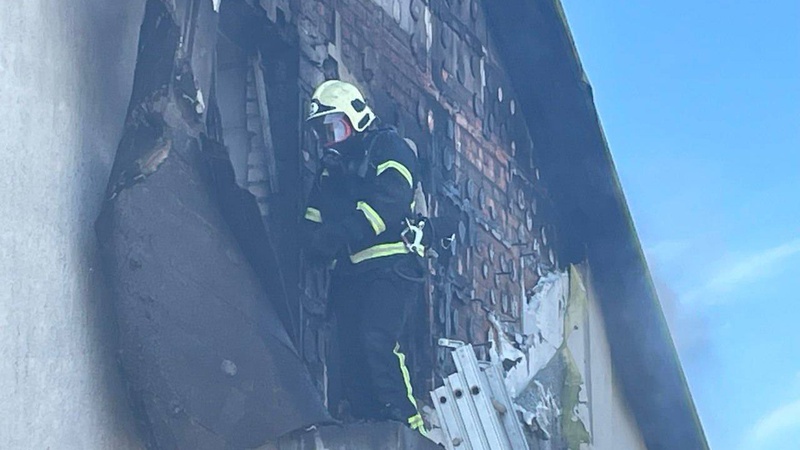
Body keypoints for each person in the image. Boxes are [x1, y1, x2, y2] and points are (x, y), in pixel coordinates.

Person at [302, 79, 426, 434]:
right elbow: (314, 216)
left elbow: (391, 200)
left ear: (357, 118)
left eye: (335, 128)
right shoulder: (331, 170)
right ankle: (369, 428)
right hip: (351, 273)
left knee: (377, 338)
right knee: (351, 352)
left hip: (391, 265)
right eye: (322, 132)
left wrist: (340, 233)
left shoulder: (388, 147)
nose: (328, 140)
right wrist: (312, 242)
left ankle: (407, 428)